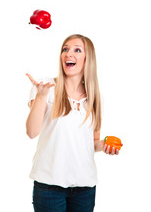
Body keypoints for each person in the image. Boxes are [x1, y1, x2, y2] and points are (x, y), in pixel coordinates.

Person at [26, 34, 119, 212]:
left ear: (87, 59)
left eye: (77, 50)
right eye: (65, 49)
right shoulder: (46, 87)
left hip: (85, 187)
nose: (69, 54)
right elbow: (31, 132)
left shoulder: (94, 98)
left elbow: (93, 142)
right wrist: (41, 96)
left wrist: (105, 145)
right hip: (49, 186)